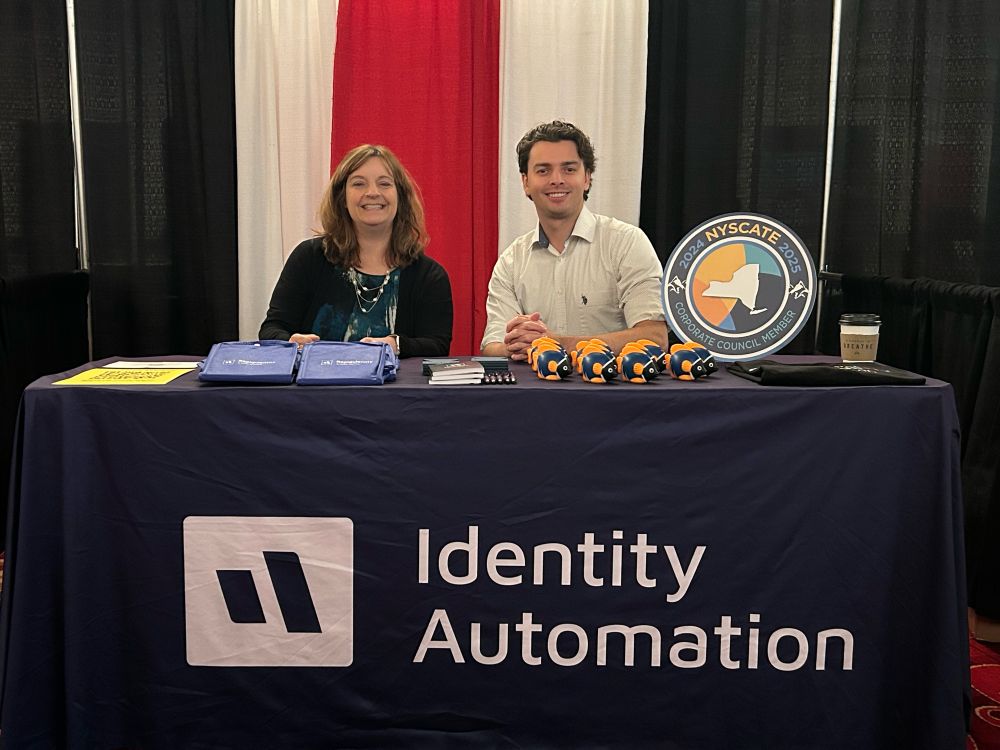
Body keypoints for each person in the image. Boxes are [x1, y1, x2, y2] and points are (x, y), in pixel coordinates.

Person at [481, 121, 668, 360]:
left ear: (587, 178)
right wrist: (515, 346)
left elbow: (654, 338)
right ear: (526, 183)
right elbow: (492, 347)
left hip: (613, 384)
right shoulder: (511, 262)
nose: (556, 179)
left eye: (569, 169)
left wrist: (555, 344)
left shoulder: (627, 243)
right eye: (543, 170)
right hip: (536, 385)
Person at [259, 144, 453, 357]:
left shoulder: (429, 276)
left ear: (401, 197)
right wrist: (289, 342)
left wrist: (396, 345)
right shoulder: (308, 258)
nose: (372, 193)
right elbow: (271, 329)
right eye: (359, 184)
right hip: (315, 380)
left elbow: (437, 346)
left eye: (384, 183)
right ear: (342, 198)